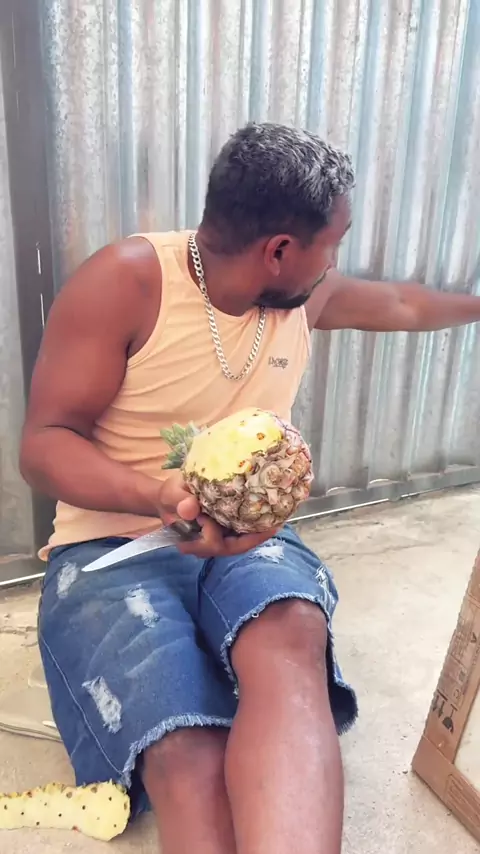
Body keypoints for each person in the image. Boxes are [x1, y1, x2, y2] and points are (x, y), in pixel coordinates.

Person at [20, 122, 480, 854]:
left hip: (250, 538)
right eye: (334, 242)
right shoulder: (128, 283)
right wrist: (157, 496)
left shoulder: (304, 297)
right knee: (188, 749)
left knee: (290, 649)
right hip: (112, 545)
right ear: (279, 250)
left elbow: (403, 305)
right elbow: (45, 444)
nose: (337, 261)